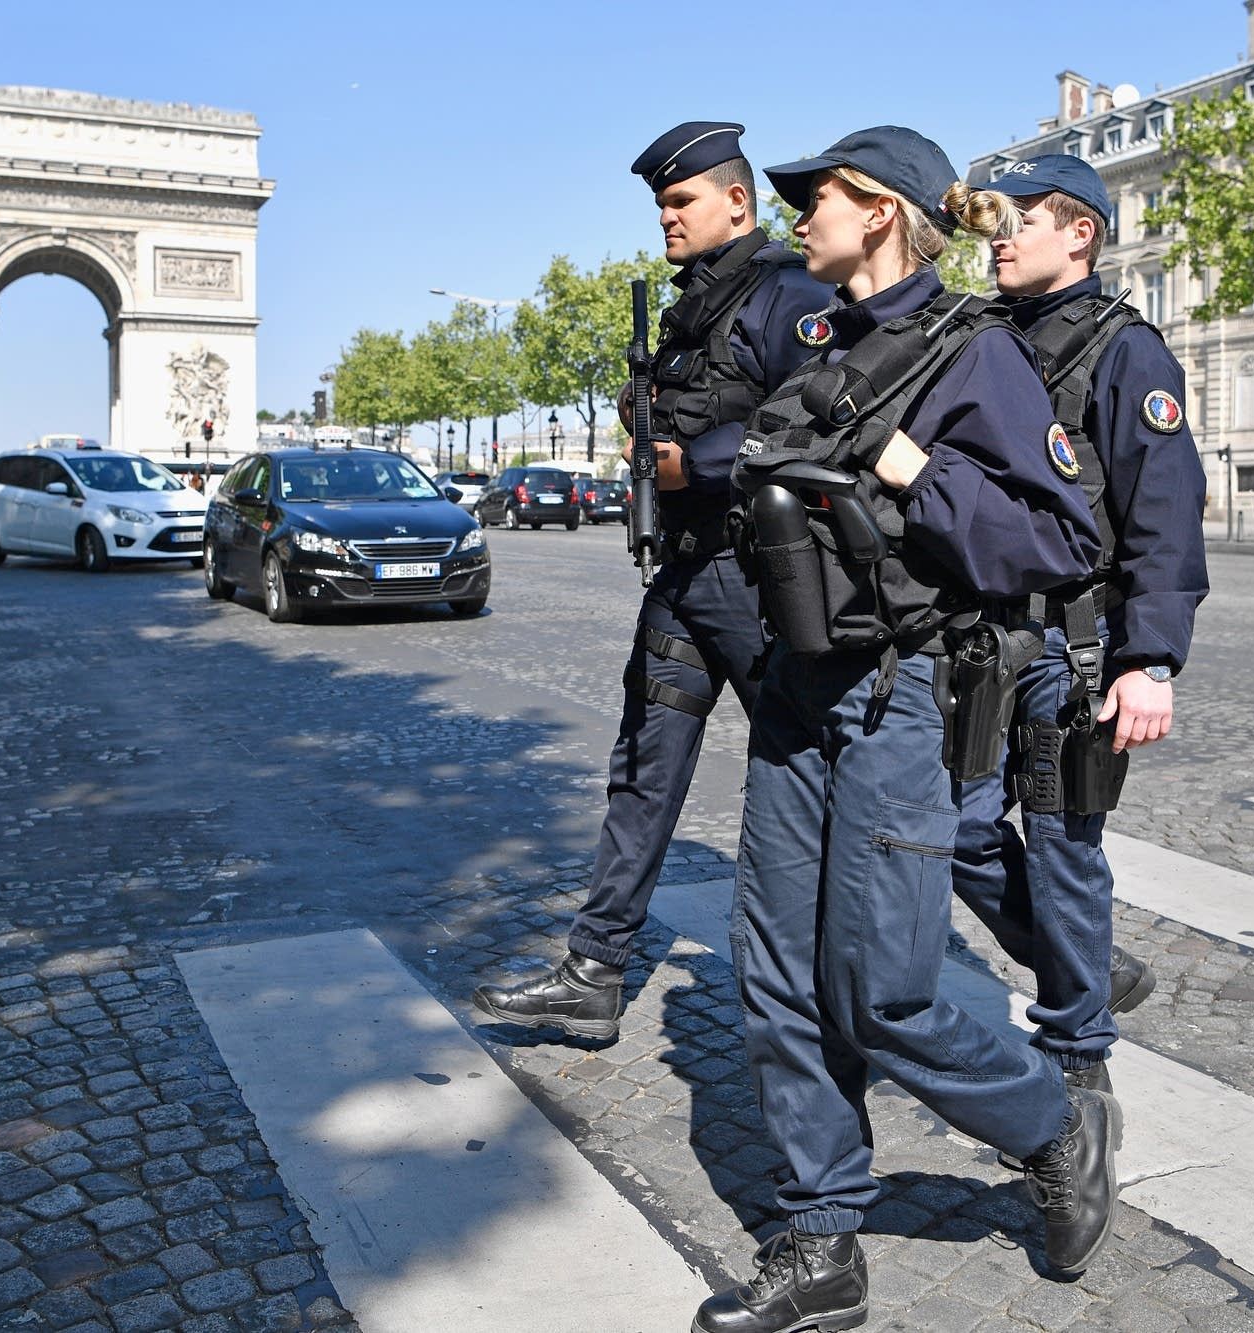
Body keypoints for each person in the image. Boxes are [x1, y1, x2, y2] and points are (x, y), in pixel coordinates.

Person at [696, 127, 1110, 1332]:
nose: (797, 215)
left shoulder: (972, 353)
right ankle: (820, 1240)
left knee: (882, 990)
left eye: (814, 196)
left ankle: (1051, 1124)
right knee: (774, 975)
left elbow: (1060, 541)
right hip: (796, 695)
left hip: (900, 696)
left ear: (879, 210)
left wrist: (902, 462)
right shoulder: (817, 339)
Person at [472, 122, 831, 1039]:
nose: (666, 220)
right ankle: (592, 975)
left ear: (738, 201)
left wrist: (691, 464)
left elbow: (821, 421)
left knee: (812, 778)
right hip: (685, 574)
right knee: (641, 773)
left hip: (761, 583)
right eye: (660, 206)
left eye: (681, 202)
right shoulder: (688, 309)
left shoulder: (792, 295)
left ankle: (1044, 952)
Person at [954, 154, 1209, 1169]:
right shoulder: (975, 339)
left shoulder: (1124, 352)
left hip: (1075, 642)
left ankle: (1075, 1054)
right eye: (994, 223)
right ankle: (1090, 965)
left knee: (1063, 851)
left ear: (1080, 233)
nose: (998, 237)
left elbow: (1163, 511)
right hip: (978, 641)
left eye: (1019, 221)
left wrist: (1148, 658)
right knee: (956, 832)